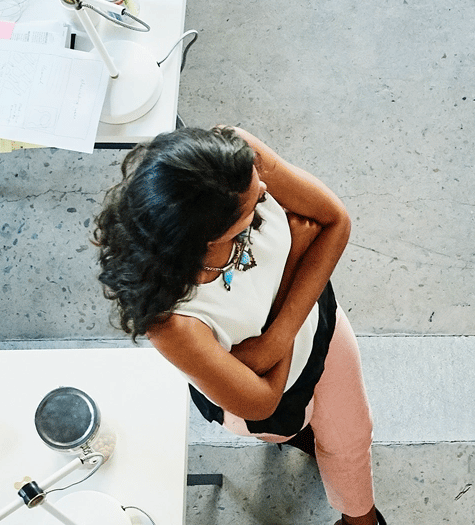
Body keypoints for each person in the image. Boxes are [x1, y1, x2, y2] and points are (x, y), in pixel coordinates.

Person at [93, 126, 386, 525]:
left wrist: (267, 348)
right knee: (292, 428)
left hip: (320, 331)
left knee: (351, 438)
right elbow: (261, 401)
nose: (267, 190)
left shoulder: (235, 160)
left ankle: (361, 519)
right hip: (274, 395)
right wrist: (294, 264)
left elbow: (335, 221)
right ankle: (303, 436)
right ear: (204, 239)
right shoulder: (171, 321)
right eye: (253, 207)